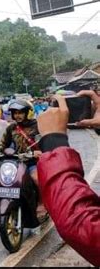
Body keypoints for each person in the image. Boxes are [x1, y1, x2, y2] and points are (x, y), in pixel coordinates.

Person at [36, 91, 100, 266]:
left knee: (35, 178)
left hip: (44, 159)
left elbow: (81, 225)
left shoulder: (36, 120)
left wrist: (54, 141)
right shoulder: (12, 128)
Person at [0, 99, 46, 219]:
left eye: (20, 112)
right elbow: (3, 143)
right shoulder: (11, 128)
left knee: (36, 179)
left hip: (32, 161)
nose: (17, 116)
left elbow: (45, 140)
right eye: (15, 113)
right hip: (15, 162)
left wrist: (39, 151)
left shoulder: (37, 126)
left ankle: (42, 203)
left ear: (28, 113)